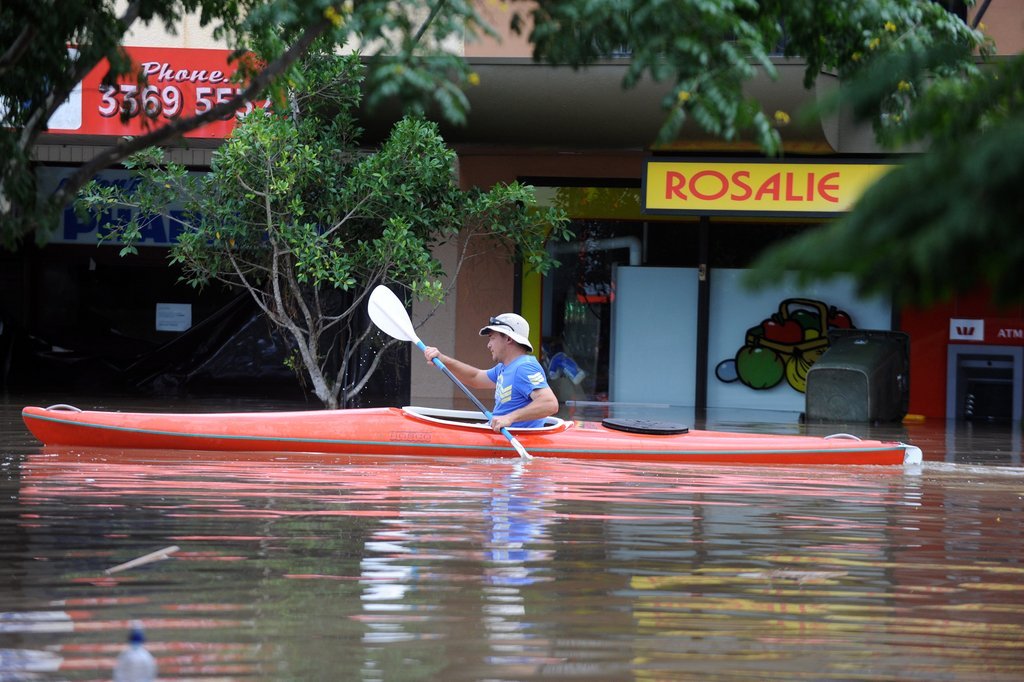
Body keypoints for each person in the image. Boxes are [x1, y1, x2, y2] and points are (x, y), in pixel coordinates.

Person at [423, 313, 559, 431]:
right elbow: (475, 378)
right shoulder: (504, 368)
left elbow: (550, 404)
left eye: (492, 338)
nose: (488, 345)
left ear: (508, 338)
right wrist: (442, 359)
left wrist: (509, 418)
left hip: (513, 439)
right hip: (498, 436)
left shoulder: (524, 368)